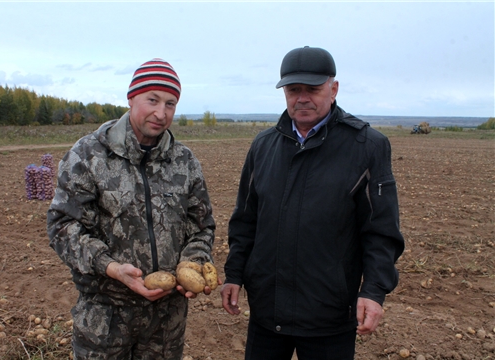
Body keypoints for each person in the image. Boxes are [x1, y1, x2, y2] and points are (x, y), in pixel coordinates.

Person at [220, 46, 405, 360]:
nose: (302, 98)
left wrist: (373, 291)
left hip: (329, 317)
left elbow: (381, 231)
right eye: (294, 90)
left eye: (313, 89)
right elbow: (246, 219)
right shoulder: (263, 146)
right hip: (268, 312)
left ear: (333, 89)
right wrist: (234, 274)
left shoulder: (367, 146)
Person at [47, 58, 216, 360]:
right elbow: (63, 227)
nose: (161, 113)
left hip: (166, 324)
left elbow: (201, 227)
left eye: (170, 104)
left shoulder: (184, 162)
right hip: (105, 319)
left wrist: (192, 263)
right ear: (131, 97)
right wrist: (111, 267)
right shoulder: (88, 155)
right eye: (152, 100)